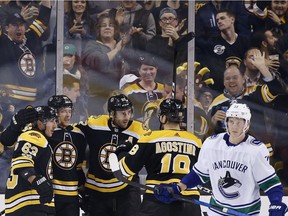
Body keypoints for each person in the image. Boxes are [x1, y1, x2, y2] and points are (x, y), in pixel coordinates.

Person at [154, 103, 288, 216]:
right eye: (231, 121)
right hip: (216, 210)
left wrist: (276, 202)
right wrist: (178, 187)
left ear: (246, 124)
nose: (235, 126)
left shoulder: (256, 150)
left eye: (239, 122)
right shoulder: (212, 144)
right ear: (226, 122)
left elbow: (271, 183)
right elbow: (200, 174)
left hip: (246, 211)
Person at [116, 98, 202, 216]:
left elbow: (125, 171)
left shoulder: (150, 138)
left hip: (156, 200)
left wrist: (123, 150)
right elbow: (204, 174)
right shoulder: (195, 141)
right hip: (190, 203)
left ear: (163, 118)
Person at [75, 94, 148, 216]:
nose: (127, 117)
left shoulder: (139, 130)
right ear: (112, 114)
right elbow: (73, 133)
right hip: (97, 191)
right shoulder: (95, 123)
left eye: (129, 112)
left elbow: (153, 150)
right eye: (122, 113)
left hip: (126, 191)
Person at [208, 64, 286, 156]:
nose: (231, 81)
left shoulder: (256, 92)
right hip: (229, 155)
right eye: (227, 78)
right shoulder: (216, 102)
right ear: (224, 82)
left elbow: (278, 89)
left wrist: (263, 68)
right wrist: (212, 122)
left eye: (235, 77)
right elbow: (208, 135)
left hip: (257, 151)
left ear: (243, 79)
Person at [5, 106, 57, 216]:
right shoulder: (34, 136)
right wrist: (38, 181)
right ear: (40, 122)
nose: (55, 126)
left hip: (25, 203)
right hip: (29, 201)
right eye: (52, 121)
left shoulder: (34, 138)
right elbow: (22, 162)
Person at [0, 0, 52, 109]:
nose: (19, 28)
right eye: (14, 25)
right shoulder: (3, 43)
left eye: (21, 25)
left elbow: (44, 18)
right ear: (6, 28)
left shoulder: (30, 38)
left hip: (32, 102)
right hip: (10, 102)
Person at [47, 95, 87, 216]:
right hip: (51, 194)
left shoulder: (78, 135)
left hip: (71, 196)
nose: (68, 115)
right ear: (54, 112)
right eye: (63, 111)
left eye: (69, 111)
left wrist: (83, 189)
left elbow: (78, 167)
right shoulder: (48, 133)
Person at [196, 9, 250, 93]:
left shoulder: (245, 41)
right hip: (218, 91)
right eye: (217, 20)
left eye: (222, 18)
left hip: (243, 89)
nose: (219, 22)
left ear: (232, 19)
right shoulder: (211, 43)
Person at [123, 54, 164, 122]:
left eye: (151, 69)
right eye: (145, 69)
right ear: (139, 70)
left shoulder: (164, 89)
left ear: (156, 69)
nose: (148, 72)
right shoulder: (129, 91)